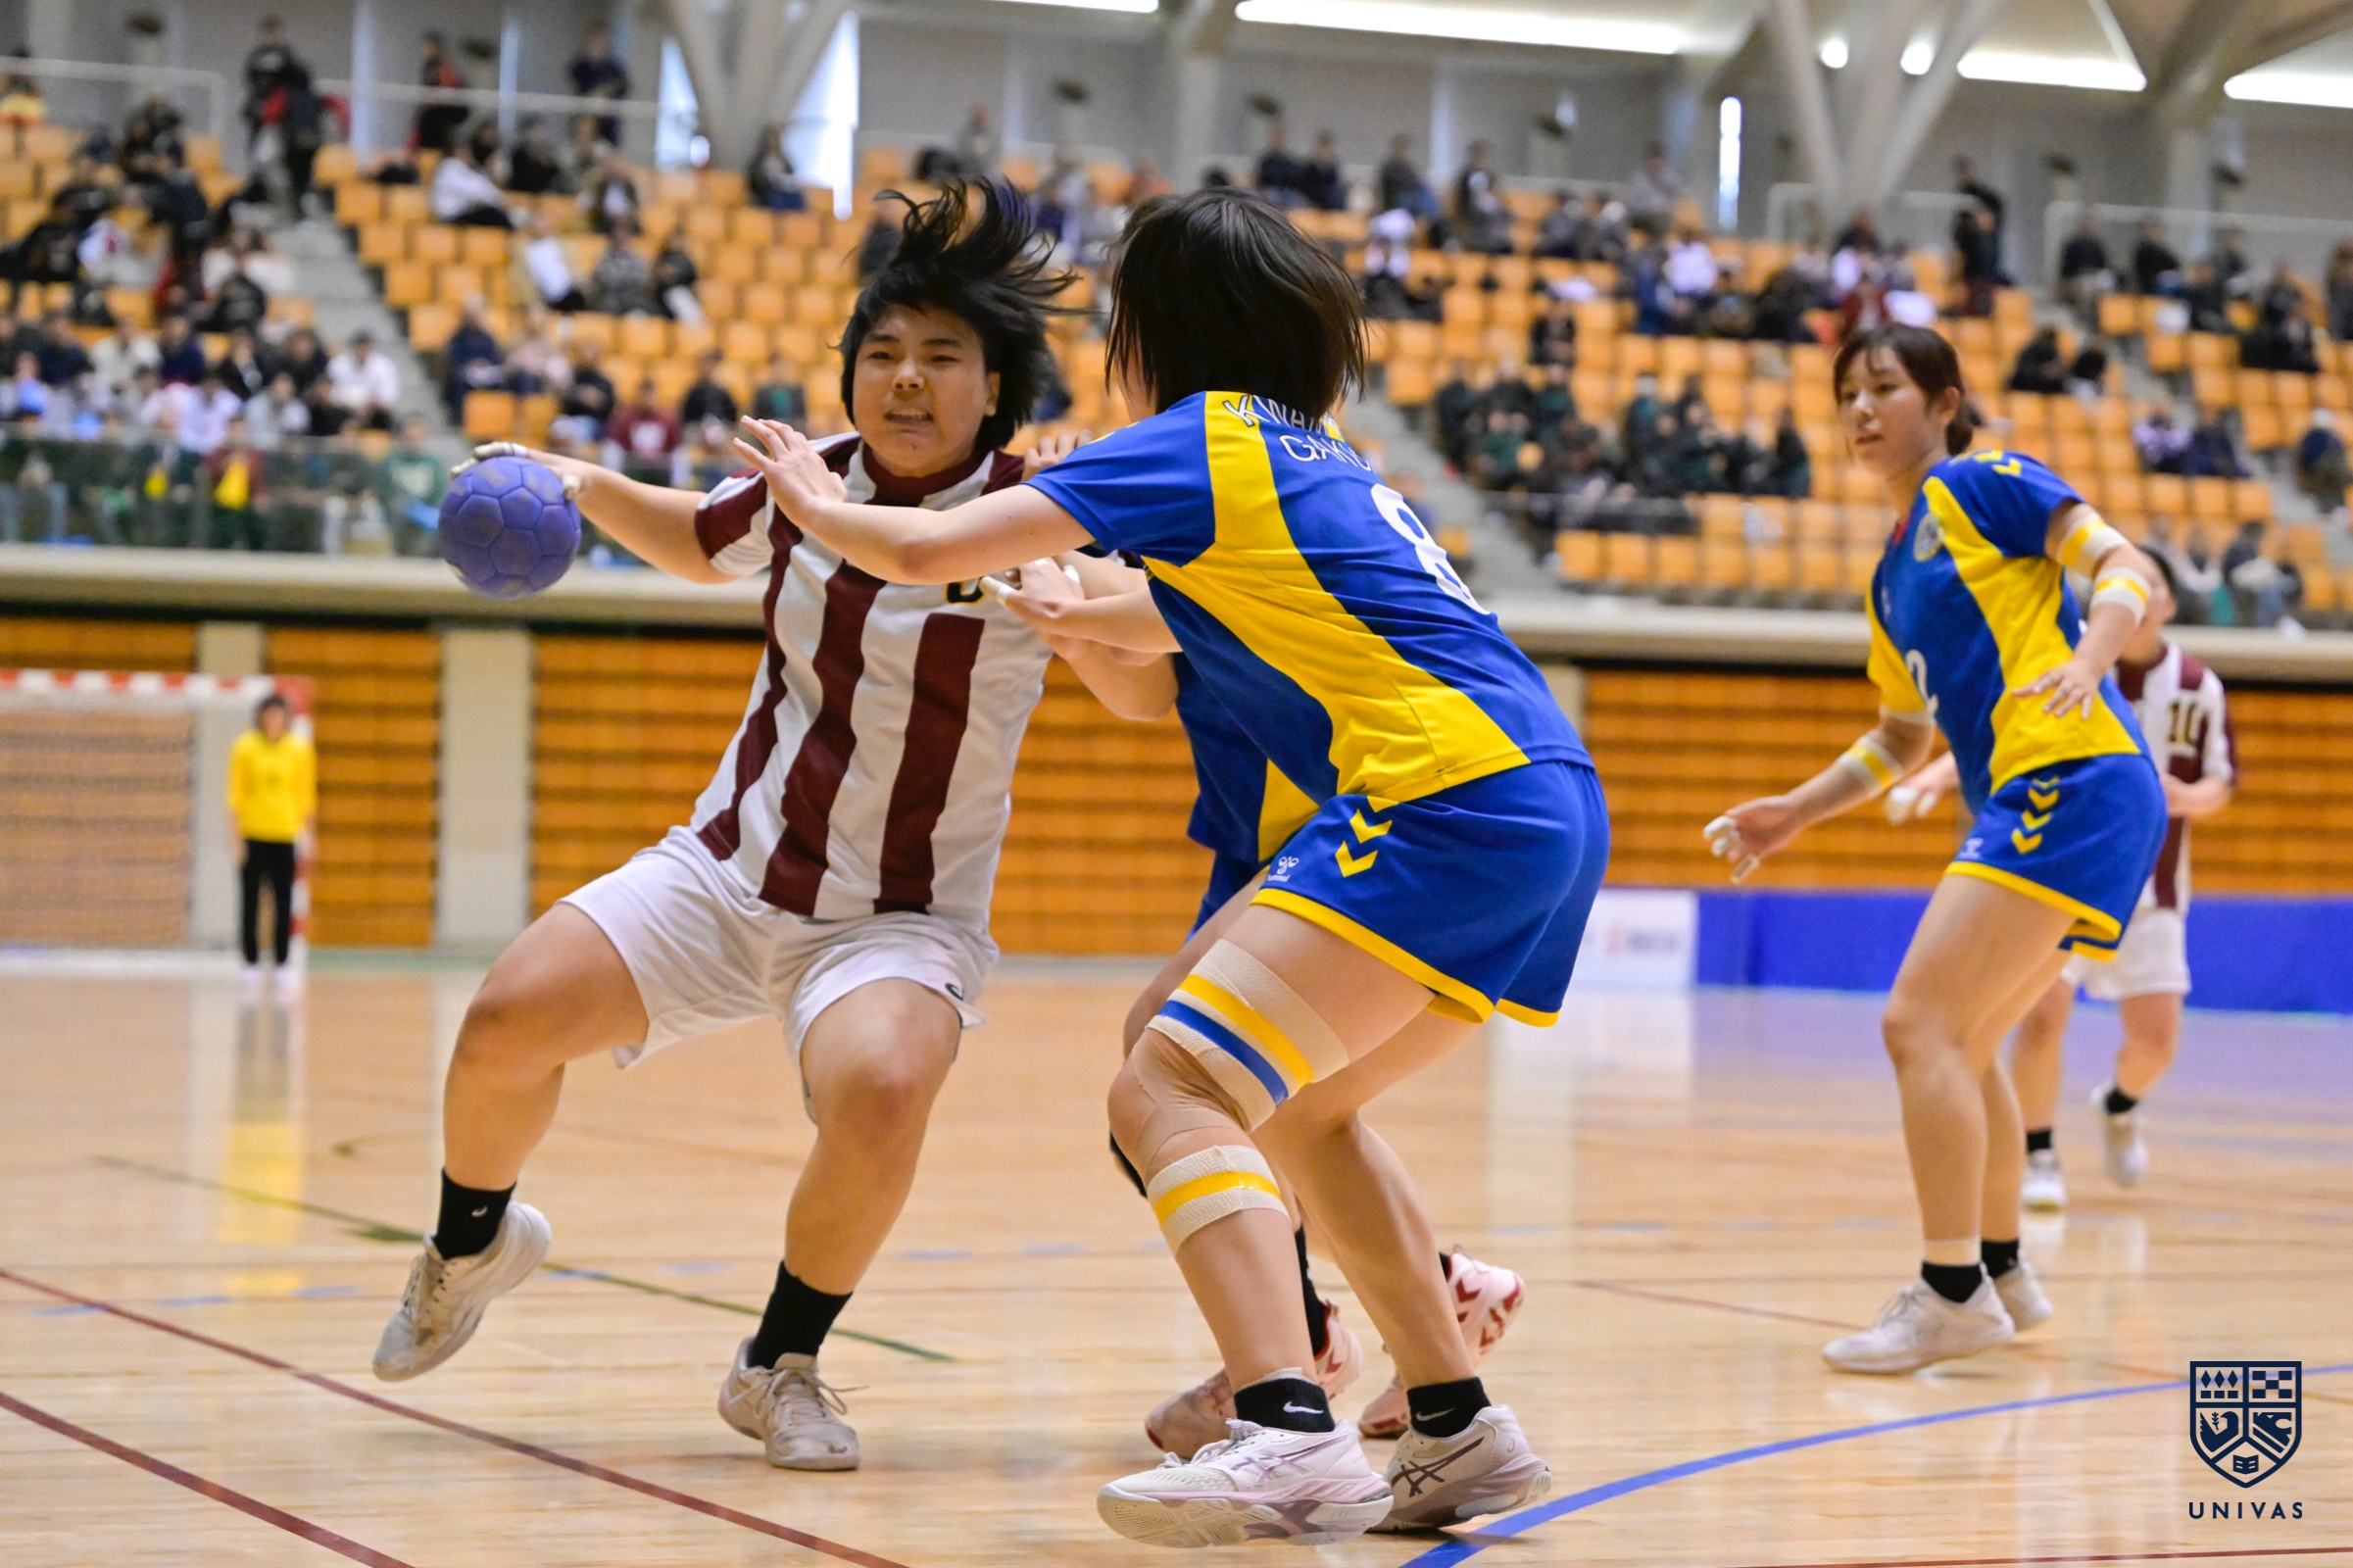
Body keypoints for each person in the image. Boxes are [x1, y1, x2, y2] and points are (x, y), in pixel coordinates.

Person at [729, 185, 1603, 1546]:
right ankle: (1455, 1425)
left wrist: (806, 495)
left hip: (1444, 793)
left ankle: (1287, 1427)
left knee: (1168, 1084)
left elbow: (922, 544)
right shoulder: (1307, 457)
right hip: (1540, 795)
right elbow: (1153, 625)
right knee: (1287, 1106)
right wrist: (1073, 611)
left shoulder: (1199, 437)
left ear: (1155, 334)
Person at [365, 183, 1167, 1478]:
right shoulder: (811, 482)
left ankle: (777, 1363)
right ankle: (470, 1245)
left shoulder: (1039, 515)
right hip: (728, 872)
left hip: (898, 920)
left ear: (995, 389)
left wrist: (1075, 622)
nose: (905, 379)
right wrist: (578, 479)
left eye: (941, 357)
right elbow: (699, 540)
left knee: (885, 1086)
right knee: (507, 1017)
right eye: (882, 353)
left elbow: (1145, 697)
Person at [1705, 322, 2166, 1375]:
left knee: (1915, 1024)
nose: (1861, 409)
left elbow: (2120, 564)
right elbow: (1898, 740)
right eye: (1847, 394)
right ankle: (1999, 1271)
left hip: (2070, 774)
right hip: (2064, 792)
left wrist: (2092, 657)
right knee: (1962, 1039)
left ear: (1945, 402)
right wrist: (1794, 811)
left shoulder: (1981, 483)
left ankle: (1949, 1290)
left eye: (1884, 387)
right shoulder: (1888, 576)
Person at [1999, 562, 2232, 1209]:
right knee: (2041, 1017)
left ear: (2167, 604)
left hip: (2153, 891)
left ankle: (2120, 1104)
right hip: (2066, 879)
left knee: (2155, 1045)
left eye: (2152, 584)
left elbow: (2222, 780)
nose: (2140, 594)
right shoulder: (2068, 670)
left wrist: (2189, 797)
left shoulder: (2197, 686)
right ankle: (2037, 1152)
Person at [227, 692, 315, 1004]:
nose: (274, 720)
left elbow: (305, 795)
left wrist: (309, 836)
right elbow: (235, 795)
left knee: (284, 902)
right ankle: (250, 961)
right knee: (250, 901)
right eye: (269, 715)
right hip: (253, 834)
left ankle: (282, 963)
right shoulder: (245, 747)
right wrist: (235, 838)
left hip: (284, 836)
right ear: (261, 717)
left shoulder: (299, 750)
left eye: (279, 715)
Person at [566, 25, 629, 146]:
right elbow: (574, 76)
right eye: (594, 39)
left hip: (607, 121)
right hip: (585, 116)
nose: (597, 42)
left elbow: (623, 85)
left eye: (600, 39)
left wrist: (605, 91)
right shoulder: (581, 64)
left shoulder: (613, 65)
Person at [326, 329, 400, 431]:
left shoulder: (383, 366)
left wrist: (368, 405)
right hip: (344, 411)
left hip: (373, 413)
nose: (362, 352)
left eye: (365, 348)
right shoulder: (339, 364)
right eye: (359, 348)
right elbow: (331, 393)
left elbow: (388, 396)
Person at [431, 139, 512, 227]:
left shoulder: (464, 170)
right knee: (492, 214)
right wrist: (492, 197)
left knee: (493, 214)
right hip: (450, 217)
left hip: (461, 213)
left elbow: (489, 191)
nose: (469, 156)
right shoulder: (450, 167)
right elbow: (472, 190)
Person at [414, 32, 469, 156]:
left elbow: (448, 91)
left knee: (434, 148)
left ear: (436, 47)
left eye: (428, 46)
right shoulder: (428, 66)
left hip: (438, 116)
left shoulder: (443, 67)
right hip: (430, 112)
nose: (425, 50)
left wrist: (433, 101)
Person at [519, 212, 587, 312]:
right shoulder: (526, 249)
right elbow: (523, 280)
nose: (543, 226)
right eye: (539, 222)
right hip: (547, 298)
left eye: (546, 222)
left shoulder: (561, 244)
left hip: (571, 292)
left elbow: (576, 270)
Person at [747, 124, 805, 212]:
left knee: (797, 198)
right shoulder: (759, 162)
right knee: (778, 198)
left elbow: (790, 176)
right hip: (768, 192)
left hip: (785, 190)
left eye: (776, 139)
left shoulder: (785, 161)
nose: (774, 142)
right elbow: (756, 182)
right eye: (772, 139)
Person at [678, 350, 737, 426]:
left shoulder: (723, 391)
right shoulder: (695, 390)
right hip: (698, 427)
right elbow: (686, 415)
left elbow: (732, 415)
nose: (709, 369)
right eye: (707, 365)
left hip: (721, 426)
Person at [2132, 220, 2183, 298]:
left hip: (2163, 279)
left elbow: (2175, 263)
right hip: (2150, 282)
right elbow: (2148, 268)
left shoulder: (2161, 248)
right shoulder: (2143, 249)